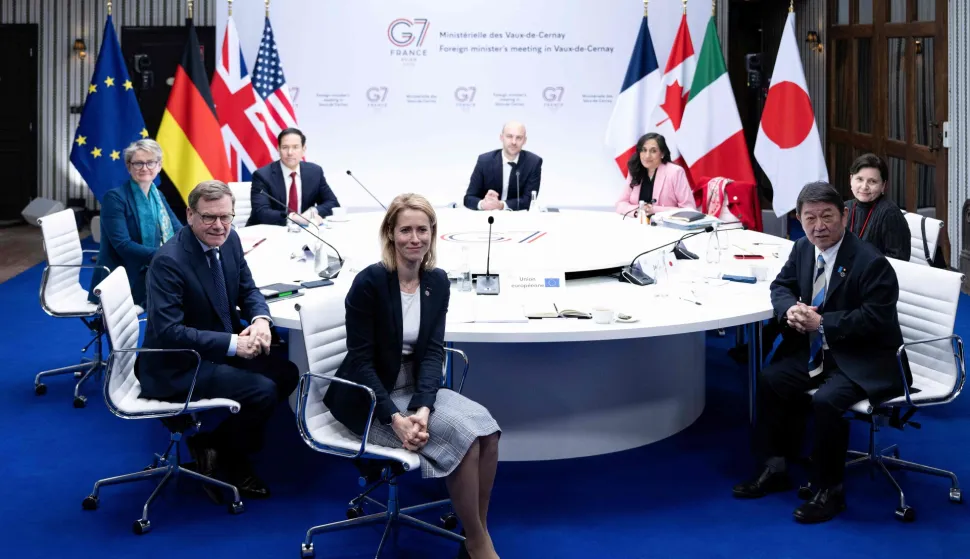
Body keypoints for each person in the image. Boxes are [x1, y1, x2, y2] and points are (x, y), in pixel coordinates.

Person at [325, 193, 501, 559]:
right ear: (390, 233)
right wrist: (396, 418)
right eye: (405, 229)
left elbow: (433, 351)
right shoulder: (371, 281)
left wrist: (421, 409)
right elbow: (360, 360)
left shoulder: (437, 281)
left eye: (423, 229)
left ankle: (476, 534)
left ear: (433, 234)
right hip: (368, 392)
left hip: (415, 385)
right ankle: (480, 544)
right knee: (463, 436)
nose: (415, 238)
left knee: (486, 428)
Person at [732, 182, 910, 524]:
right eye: (810, 218)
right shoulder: (803, 248)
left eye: (827, 216)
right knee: (771, 379)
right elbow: (780, 286)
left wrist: (822, 322)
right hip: (819, 353)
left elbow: (877, 318)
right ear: (799, 219)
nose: (819, 226)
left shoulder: (870, 261)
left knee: (826, 401)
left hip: (863, 357)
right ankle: (775, 467)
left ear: (843, 215)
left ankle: (830, 490)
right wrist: (790, 312)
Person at [139, 180, 299, 503]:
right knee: (262, 391)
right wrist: (233, 344)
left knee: (288, 373)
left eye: (226, 217)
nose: (219, 225)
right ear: (190, 215)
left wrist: (261, 321)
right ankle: (235, 456)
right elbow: (170, 332)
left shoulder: (230, 239)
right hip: (179, 363)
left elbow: (249, 290)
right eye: (209, 217)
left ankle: (215, 445)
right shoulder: (168, 261)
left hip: (215, 347)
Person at [88, 139, 182, 308]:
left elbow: (177, 230)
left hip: (154, 269)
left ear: (159, 166)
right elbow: (122, 245)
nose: (145, 168)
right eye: (138, 163)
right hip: (124, 277)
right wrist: (165, 255)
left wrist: (198, 242)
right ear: (129, 166)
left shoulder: (158, 195)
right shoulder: (115, 198)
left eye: (150, 162)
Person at [247, 127, 340, 226]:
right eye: (285, 147)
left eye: (295, 147)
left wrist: (313, 212)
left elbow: (333, 203)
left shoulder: (315, 172)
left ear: (303, 149)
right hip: (269, 231)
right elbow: (261, 212)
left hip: (303, 231)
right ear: (278, 149)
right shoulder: (262, 175)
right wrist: (294, 218)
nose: (290, 153)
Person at [844, 153, 911, 261]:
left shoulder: (890, 214)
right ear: (851, 179)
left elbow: (899, 259)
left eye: (872, 181)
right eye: (859, 179)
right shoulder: (845, 207)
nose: (864, 186)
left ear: (883, 185)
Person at [464, 121, 542, 211]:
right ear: (501, 138)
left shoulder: (533, 163)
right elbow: (469, 198)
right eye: (509, 136)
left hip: (517, 218)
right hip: (487, 217)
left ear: (524, 140)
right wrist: (483, 204)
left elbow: (529, 200)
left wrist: (501, 205)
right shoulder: (484, 161)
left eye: (519, 138)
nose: (513, 142)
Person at [615, 133, 696, 216]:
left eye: (653, 151)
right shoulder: (635, 170)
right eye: (643, 150)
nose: (647, 156)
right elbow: (620, 204)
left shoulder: (676, 172)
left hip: (666, 227)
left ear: (662, 154)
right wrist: (637, 211)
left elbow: (689, 210)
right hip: (638, 225)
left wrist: (654, 210)